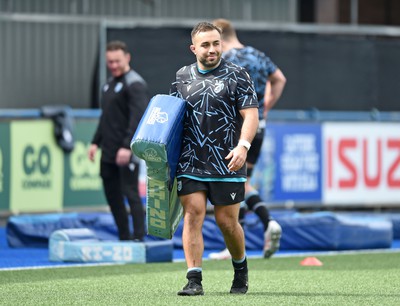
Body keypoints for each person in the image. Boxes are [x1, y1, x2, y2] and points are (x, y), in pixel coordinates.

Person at [170, 22, 259, 296]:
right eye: (205, 45)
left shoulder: (238, 75)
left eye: (216, 43)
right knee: (193, 214)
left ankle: (240, 269)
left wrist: (243, 147)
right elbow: (172, 119)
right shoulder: (181, 76)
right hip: (191, 160)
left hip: (227, 161)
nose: (212, 49)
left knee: (227, 222)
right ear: (193, 48)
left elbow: (251, 115)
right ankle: (193, 279)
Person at [210, 18, 287, 259]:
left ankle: (265, 223)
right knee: (243, 182)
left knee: (234, 184)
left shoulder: (226, 60)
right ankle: (261, 227)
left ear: (220, 38)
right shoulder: (258, 55)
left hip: (236, 130)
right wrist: (267, 106)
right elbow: (280, 79)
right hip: (259, 126)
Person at [88, 40, 149, 241]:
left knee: (131, 194)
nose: (113, 65)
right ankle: (124, 236)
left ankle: (139, 237)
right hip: (108, 151)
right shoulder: (108, 85)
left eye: (117, 61)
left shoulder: (135, 84)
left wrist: (126, 147)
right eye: (110, 62)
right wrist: (95, 142)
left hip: (125, 151)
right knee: (112, 196)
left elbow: (138, 118)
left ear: (127, 58)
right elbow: (106, 117)